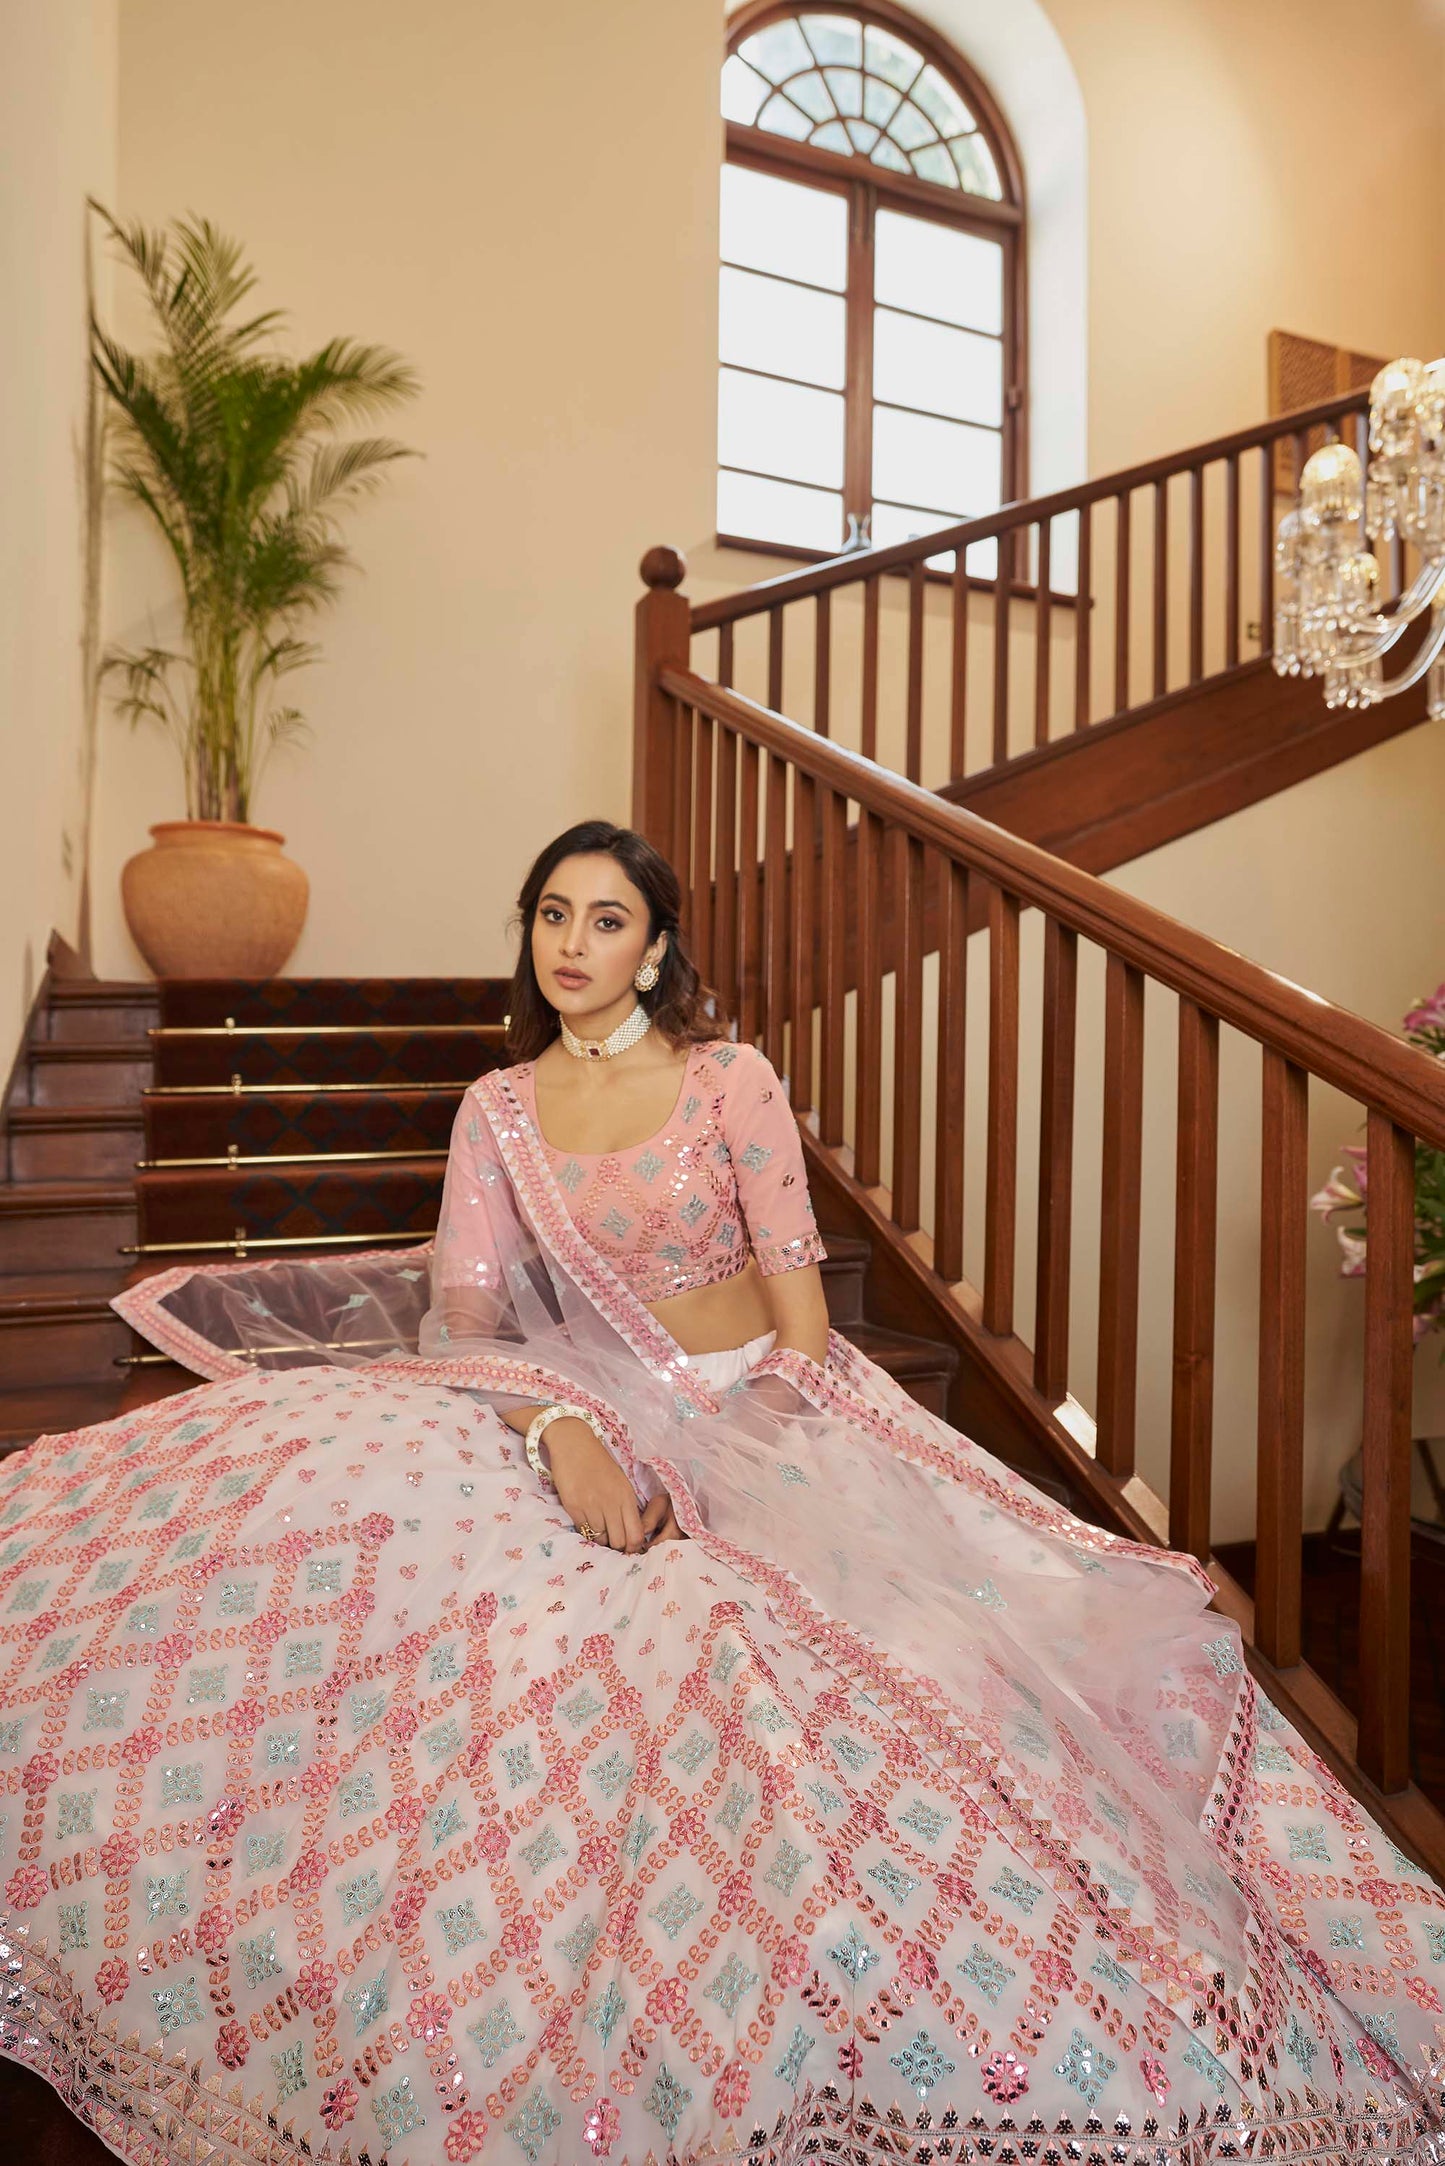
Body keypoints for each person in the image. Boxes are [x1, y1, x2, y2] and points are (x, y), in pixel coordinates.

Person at [0, 818, 1442, 2166]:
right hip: (580, 1409)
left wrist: (716, 1450)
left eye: (606, 919)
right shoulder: (498, 1108)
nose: (573, 943)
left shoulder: (727, 1080)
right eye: (552, 915)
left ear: (654, 947)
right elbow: (464, 1321)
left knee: (892, 1674)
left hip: (773, 1413)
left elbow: (804, 1326)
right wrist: (555, 1431)